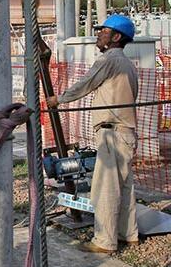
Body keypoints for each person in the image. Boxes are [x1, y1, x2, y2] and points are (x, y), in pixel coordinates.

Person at [46, 15, 139, 254]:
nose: (98, 35)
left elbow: (86, 83)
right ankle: (128, 235)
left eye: (103, 32)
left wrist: (59, 99)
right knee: (124, 187)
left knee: (106, 188)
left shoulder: (108, 59)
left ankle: (105, 241)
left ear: (116, 37)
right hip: (127, 132)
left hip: (112, 133)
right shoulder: (128, 64)